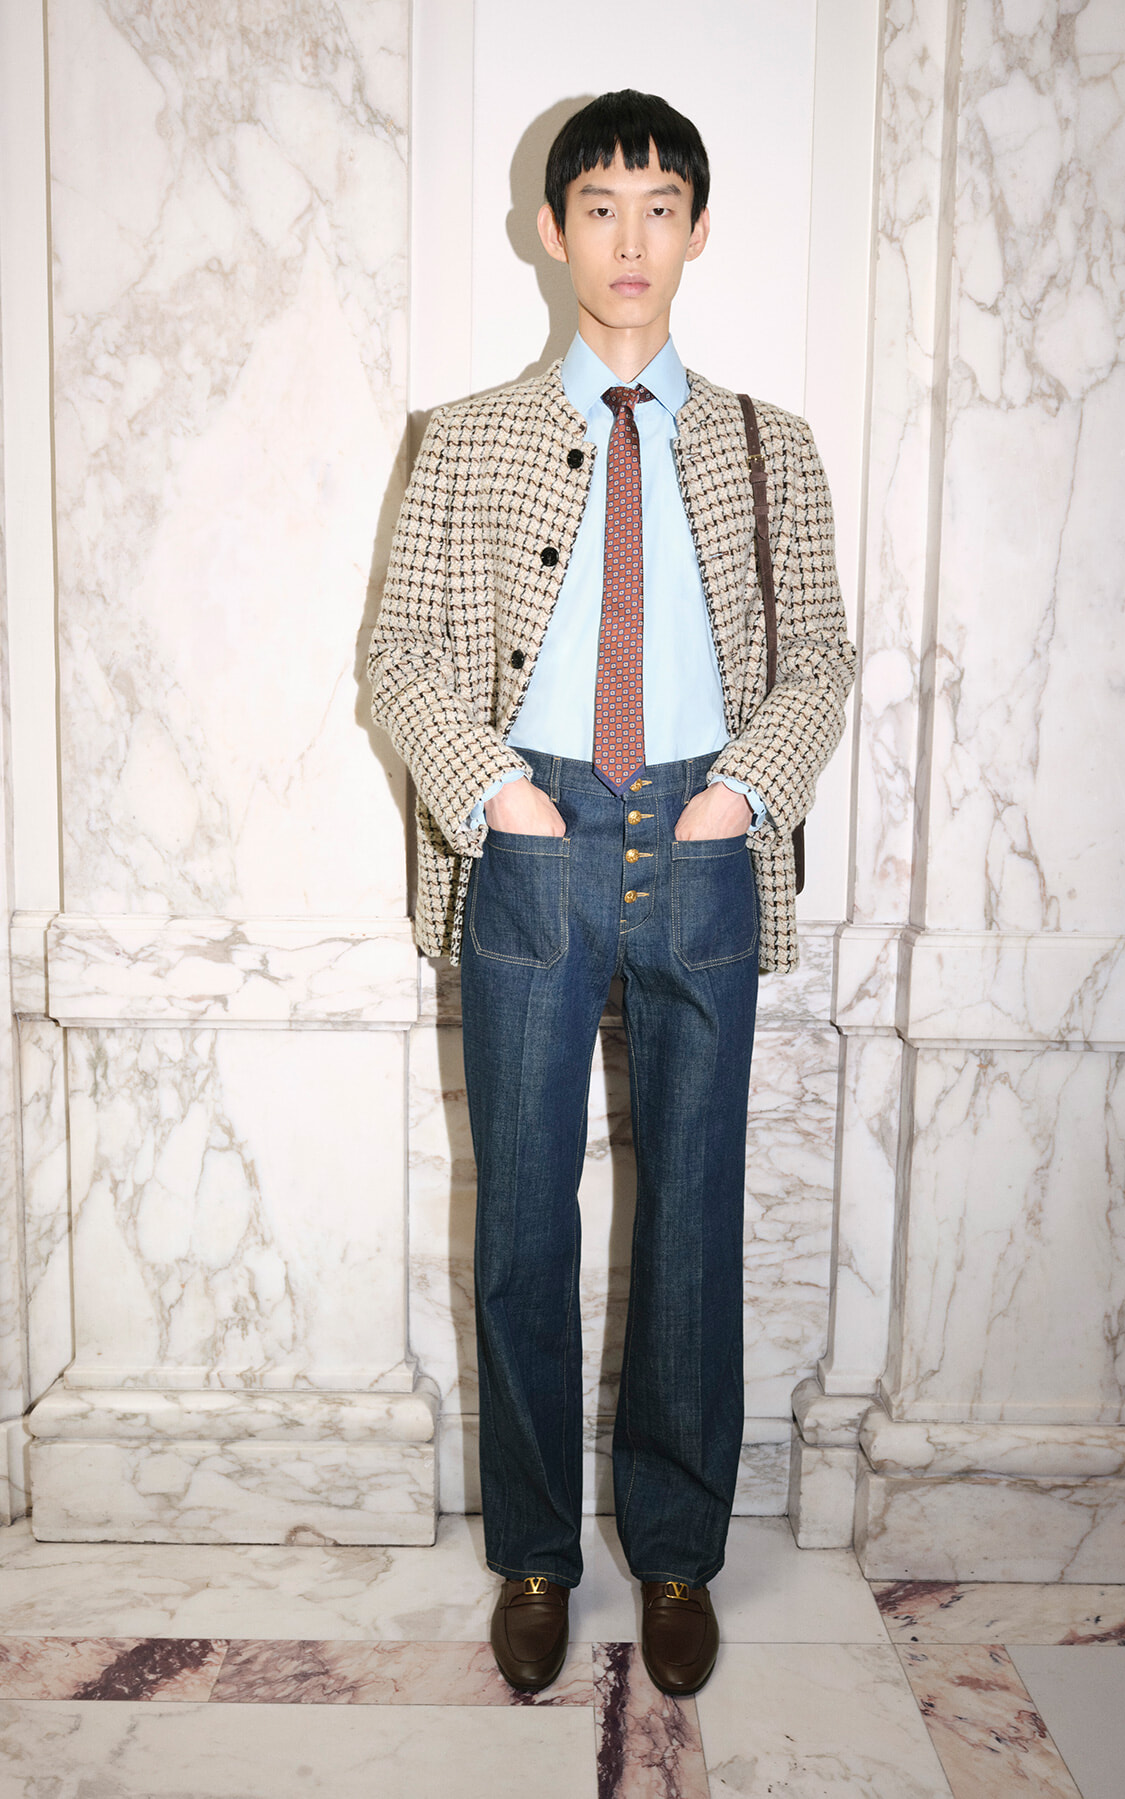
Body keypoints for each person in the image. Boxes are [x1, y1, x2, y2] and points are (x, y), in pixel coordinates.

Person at [367, 89, 856, 1697]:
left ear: (698, 231)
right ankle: (531, 1552)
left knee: (693, 1212)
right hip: (530, 834)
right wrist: (500, 798)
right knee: (523, 1209)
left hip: (705, 830)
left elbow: (821, 656)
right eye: (600, 206)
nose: (630, 238)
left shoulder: (772, 445)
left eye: (660, 207)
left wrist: (740, 795)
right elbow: (403, 656)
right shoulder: (465, 440)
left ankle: (679, 1551)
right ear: (552, 228)